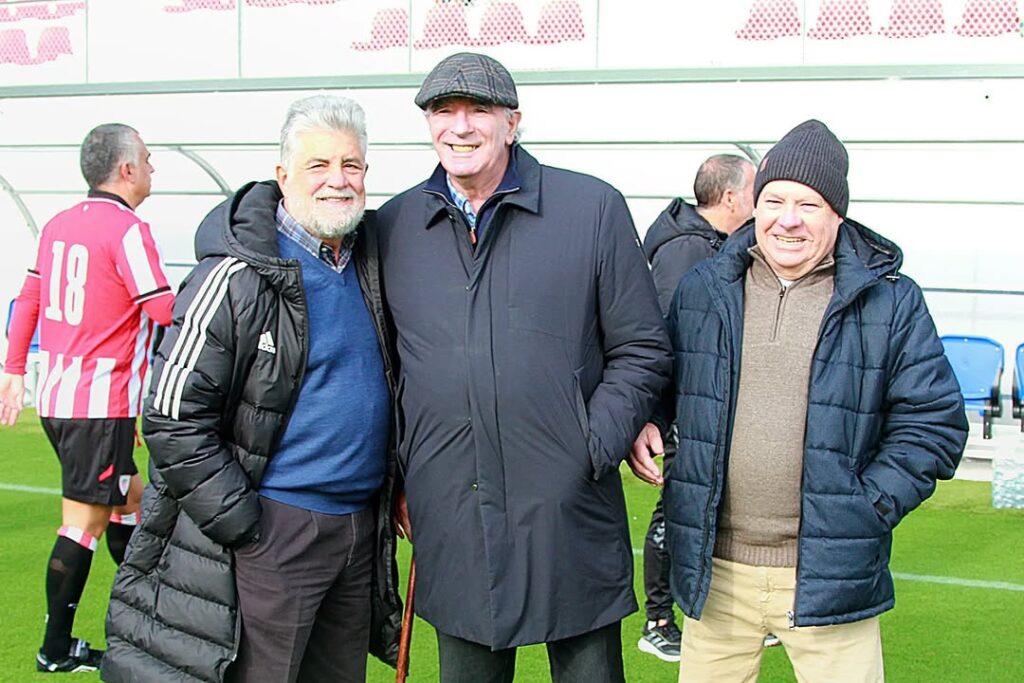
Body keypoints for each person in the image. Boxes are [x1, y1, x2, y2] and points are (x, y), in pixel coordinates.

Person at [629, 119, 968, 682]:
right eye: (775, 201)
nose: (788, 219)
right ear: (755, 205)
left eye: (808, 204)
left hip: (828, 573)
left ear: (838, 214)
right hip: (716, 575)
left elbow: (934, 424)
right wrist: (650, 419)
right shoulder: (703, 288)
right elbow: (665, 382)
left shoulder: (890, 301)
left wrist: (866, 506)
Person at [376, 52, 672, 683]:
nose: (460, 126)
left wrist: (590, 445)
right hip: (453, 511)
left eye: (478, 110)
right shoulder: (395, 226)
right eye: (443, 111)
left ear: (512, 122)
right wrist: (406, 472)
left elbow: (642, 348)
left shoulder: (591, 208)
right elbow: (390, 369)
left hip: (568, 509)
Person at [101, 95, 401, 682]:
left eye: (351, 165)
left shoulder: (370, 264)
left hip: (357, 529)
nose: (338, 180)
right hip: (274, 529)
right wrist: (245, 524)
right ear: (283, 175)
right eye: (318, 165)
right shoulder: (235, 274)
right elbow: (169, 416)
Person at [0, 123, 171, 674]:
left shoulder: (58, 225)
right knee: (83, 524)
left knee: (132, 501)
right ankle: (55, 648)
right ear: (126, 169)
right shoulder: (128, 230)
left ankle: (142, 617)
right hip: (99, 406)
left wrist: (14, 370)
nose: (152, 168)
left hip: (60, 399)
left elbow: (28, 300)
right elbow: (163, 310)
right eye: (147, 159)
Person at [636, 153, 755, 662]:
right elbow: (666, 335)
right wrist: (663, 413)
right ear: (730, 196)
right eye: (756, 191)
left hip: (707, 403)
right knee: (676, 509)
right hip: (686, 405)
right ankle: (659, 620)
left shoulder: (714, 245)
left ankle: (727, 610)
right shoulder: (686, 251)